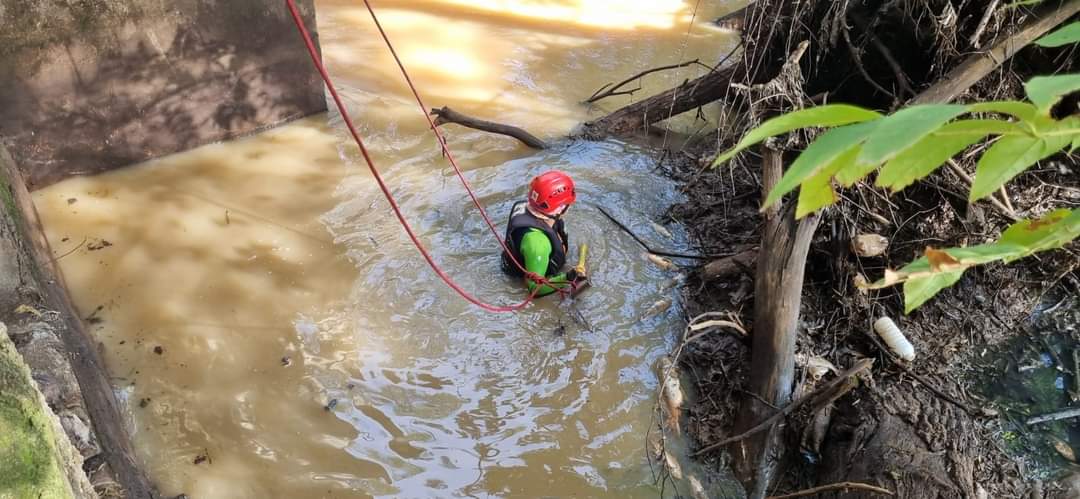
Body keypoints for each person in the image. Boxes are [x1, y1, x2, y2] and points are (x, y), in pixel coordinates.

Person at [501, 170, 589, 296]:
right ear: (559, 208)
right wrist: (568, 277)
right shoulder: (538, 244)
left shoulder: (526, 207)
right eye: (567, 204)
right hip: (527, 271)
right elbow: (535, 288)